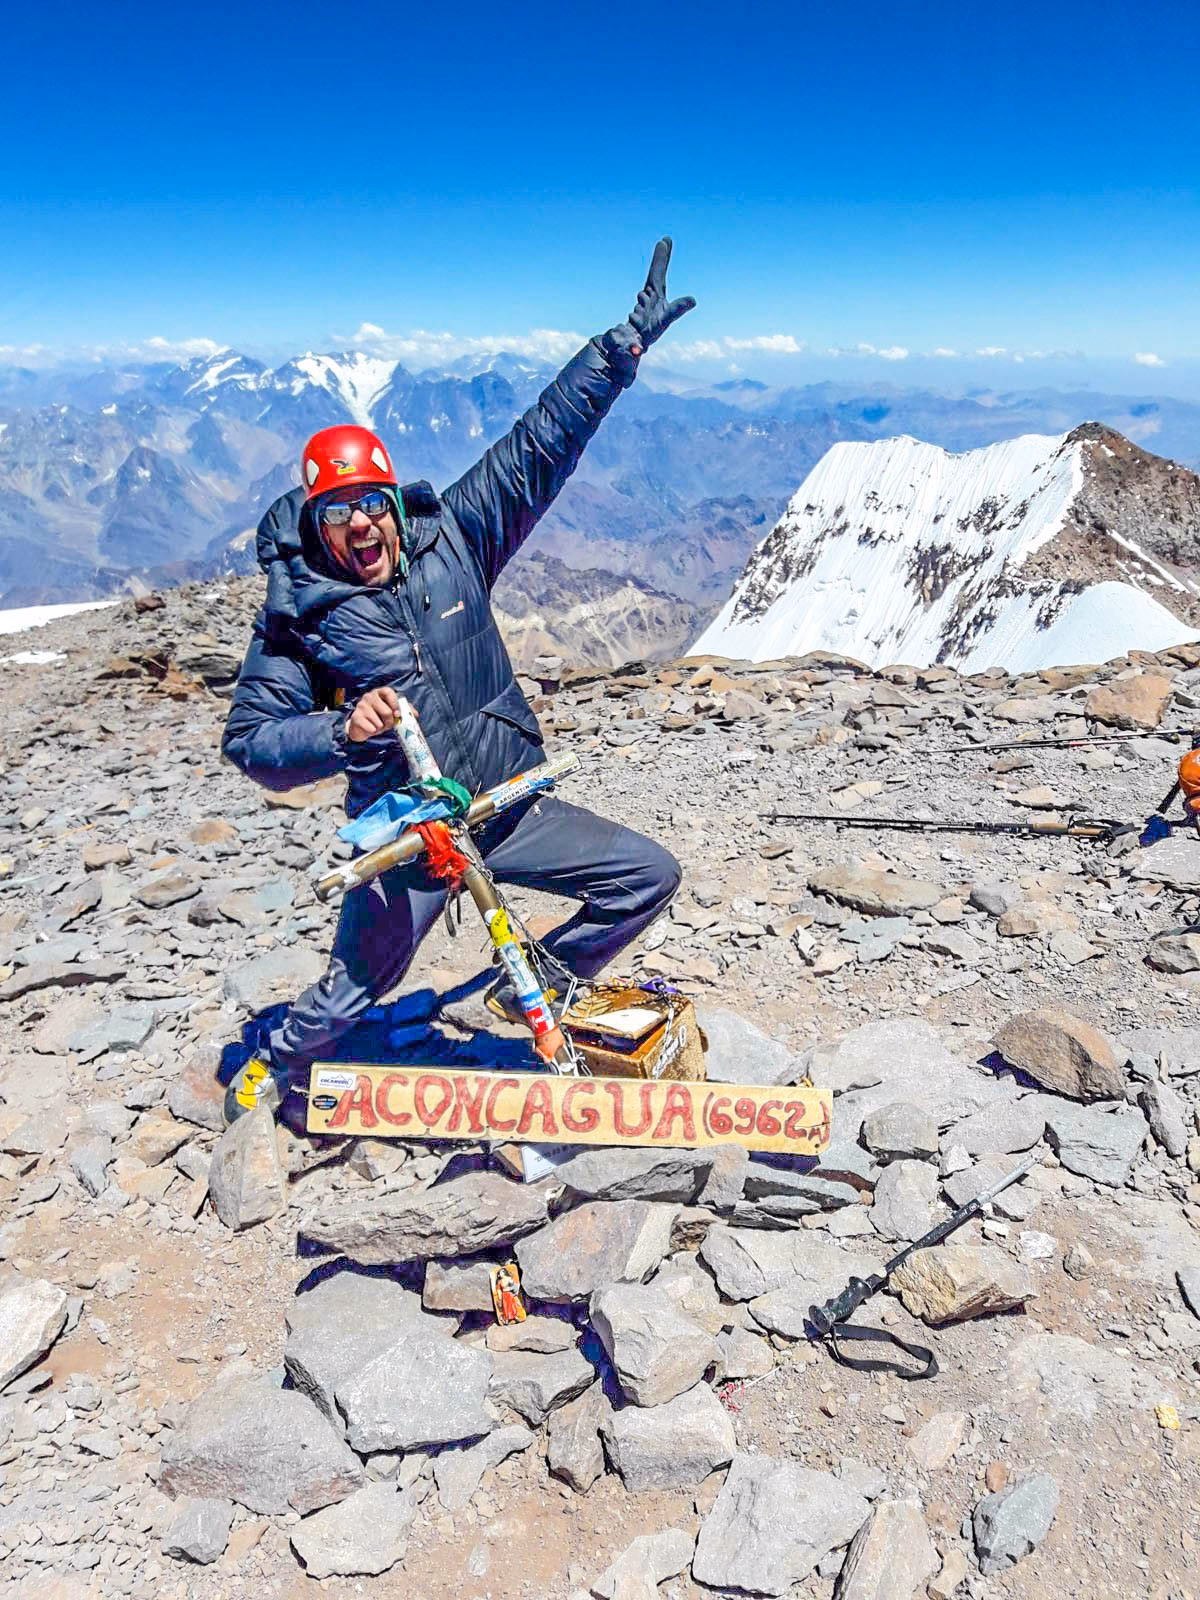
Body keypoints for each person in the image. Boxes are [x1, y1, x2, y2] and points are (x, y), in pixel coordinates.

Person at [221, 240, 695, 1124]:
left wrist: (618, 353)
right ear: (317, 524)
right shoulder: (299, 618)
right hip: (413, 835)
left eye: (373, 503)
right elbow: (252, 741)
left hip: (508, 801)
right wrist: (340, 730)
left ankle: (529, 993)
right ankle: (276, 1068)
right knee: (348, 994)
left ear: (394, 501)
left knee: (646, 876)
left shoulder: (454, 541)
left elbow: (535, 449)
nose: (362, 525)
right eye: (339, 513)